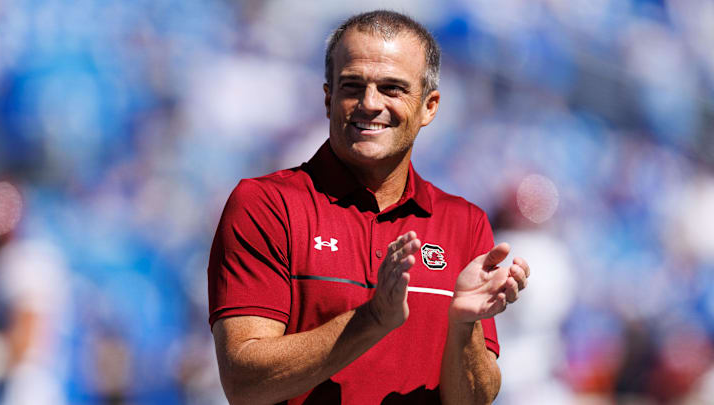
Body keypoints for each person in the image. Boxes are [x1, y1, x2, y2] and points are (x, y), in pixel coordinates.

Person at [208, 10, 530, 405]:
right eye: (352, 85)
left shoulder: (465, 222)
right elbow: (244, 383)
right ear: (328, 99)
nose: (369, 103)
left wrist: (464, 326)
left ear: (429, 107)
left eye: (392, 88)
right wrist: (372, 318)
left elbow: (472, 400)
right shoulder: (267, 204)